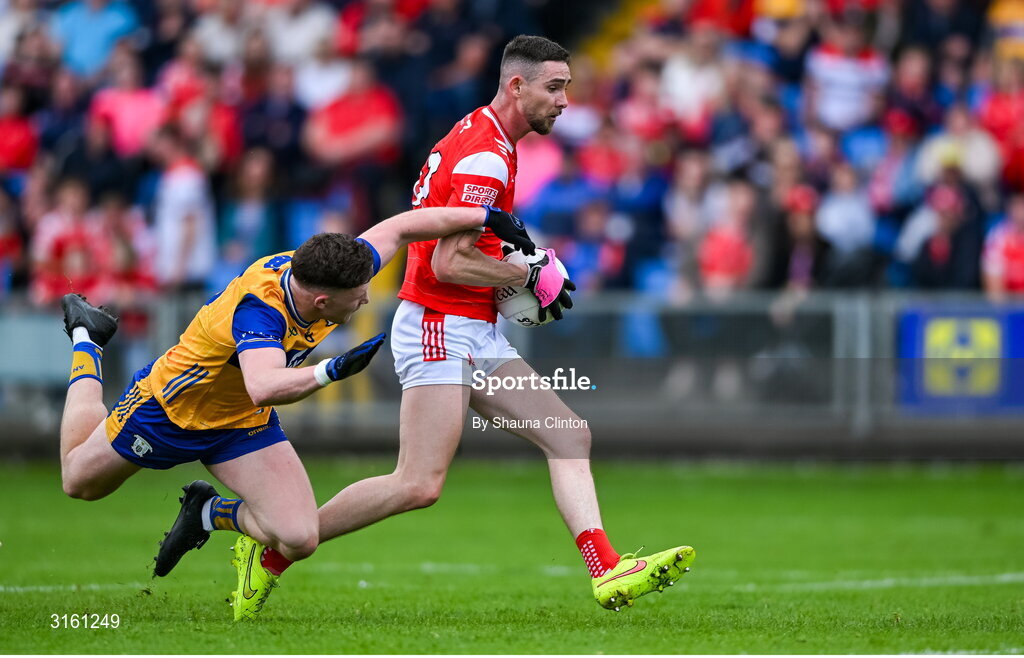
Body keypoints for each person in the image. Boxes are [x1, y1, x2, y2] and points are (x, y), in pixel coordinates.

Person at [165, 34, 693, 619]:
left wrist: (516, 273)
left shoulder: (486, 136)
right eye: (555, 87)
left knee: (569, 435)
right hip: (439, 326)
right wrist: (522, 274)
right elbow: (447, 260)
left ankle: (606, 570)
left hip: (473, 328)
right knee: (417, 483)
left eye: (566, 86)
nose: (565, 101)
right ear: (516, 86)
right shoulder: (488, 156)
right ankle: (262, 549)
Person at [57, 202, 535, 621]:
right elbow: (263, 385)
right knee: (79, 481)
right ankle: (88, 339)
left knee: (300, 538)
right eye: (359, 294)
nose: (368, 296)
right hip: (170, 409)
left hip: (240, 423)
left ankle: (207, 512)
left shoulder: (337, 269)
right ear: (322, 300)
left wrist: (488, 217)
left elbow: (402, 227)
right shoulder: (260, 311)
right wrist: (331, 371)